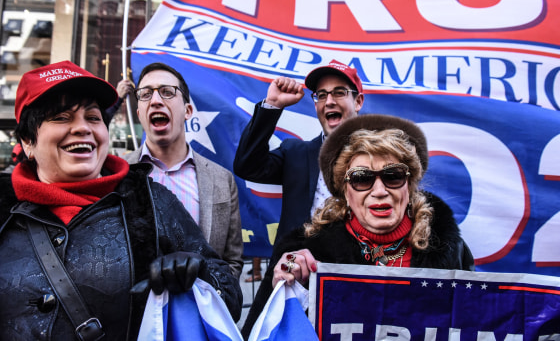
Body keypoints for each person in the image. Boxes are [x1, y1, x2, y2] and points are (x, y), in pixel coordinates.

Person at [0, 60, 242, 340]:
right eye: (61, 117)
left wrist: (200, 277)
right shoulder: (5, 208)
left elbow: (229, 293)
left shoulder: (150, 202)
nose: (82, 128)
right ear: (28, 140)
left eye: (93, 117)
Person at [241, 114, 475, 338]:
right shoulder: (307, 250)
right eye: (362, 178)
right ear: (345, 191)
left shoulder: (450, 248)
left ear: (410, 185)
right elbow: (263, 332)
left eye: (393, 176)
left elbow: (473, 323)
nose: (380, 191)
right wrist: (284, 283)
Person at [121, 62, 244, 279]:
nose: (156, 101)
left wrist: (209, 299)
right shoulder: (116, 175)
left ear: (187, 111)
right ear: (139, 113)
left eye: (168, 92)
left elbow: (231, 262)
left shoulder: (221, 180)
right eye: (146, 94)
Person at [234, 59, 365, 245]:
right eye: (321, 95)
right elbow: (247, 166)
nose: (328, 101)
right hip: (295, 270)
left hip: (354, 271)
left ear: (358, 101)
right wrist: (273, 104)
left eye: (339, 93)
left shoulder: (380, 157)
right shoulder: (296, 154)